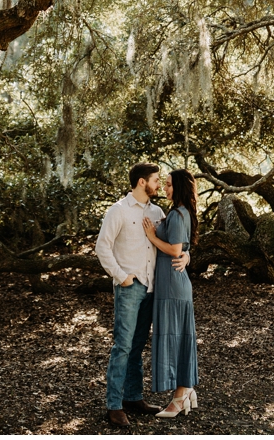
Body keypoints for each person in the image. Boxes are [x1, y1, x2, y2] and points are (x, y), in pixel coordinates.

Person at [94, 162, 189, 427]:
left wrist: (187, 255)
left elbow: (174, 244)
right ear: (141, 182)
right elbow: (102, 247)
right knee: (122, 345)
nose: (159, 184)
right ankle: (114, 405)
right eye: (156, 180)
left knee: (137, 346)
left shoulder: (158, 211)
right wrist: (121, 276)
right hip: (130, 287)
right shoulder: (118, 211)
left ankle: (133, 397)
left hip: (153, 288)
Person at [142, 168, 199, 418]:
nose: (165, 189)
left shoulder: (177, 214)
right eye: (164, 184)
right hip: (173, 284)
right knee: (178, 338)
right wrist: (186, 254)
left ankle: (180, 397)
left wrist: (151, 236)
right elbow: (183, 249)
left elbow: (176, 250)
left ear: (180, 187)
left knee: (175, 339)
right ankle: (185, 390)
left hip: (173, 287)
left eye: (169, 185)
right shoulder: (181, 213)